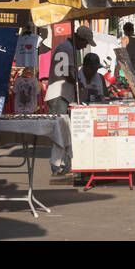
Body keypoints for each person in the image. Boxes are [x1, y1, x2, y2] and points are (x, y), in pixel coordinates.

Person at [43, 25, 93, 176]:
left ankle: (62, 165)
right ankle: (59, 167)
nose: (85, 46)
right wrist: (80, 84)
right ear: (80, 39)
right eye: (85, 42)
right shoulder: (67, 49)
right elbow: (67, 75)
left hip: (60, 95)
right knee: (61, 132)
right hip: (59, 95)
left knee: (63, 132)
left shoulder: (66, 47)